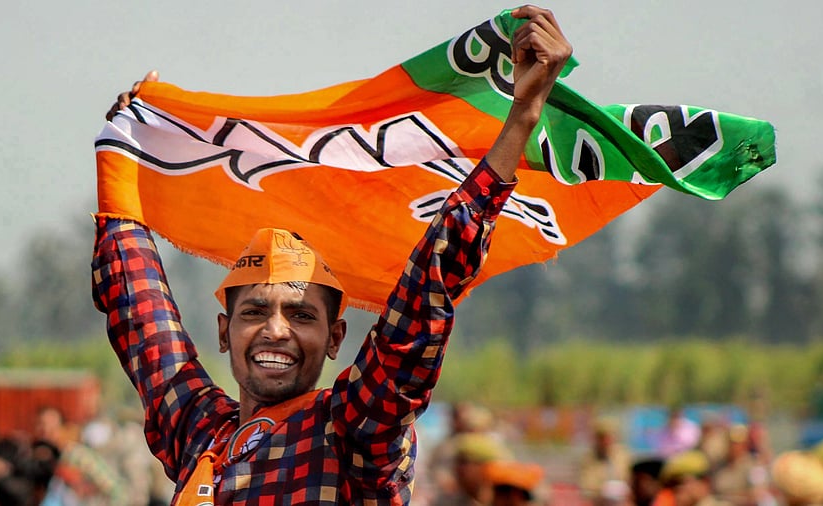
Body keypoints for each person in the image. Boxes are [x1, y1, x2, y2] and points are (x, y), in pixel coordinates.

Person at [93, 5, 572, 505]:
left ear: (335, 337)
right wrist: (124, 159)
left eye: (300, 314)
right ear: (223, 331)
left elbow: (422, 298)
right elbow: (140, 319)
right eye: (254, 311)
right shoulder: (201, 435)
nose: (275, 330)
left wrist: (521, 118)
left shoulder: (349, 432)